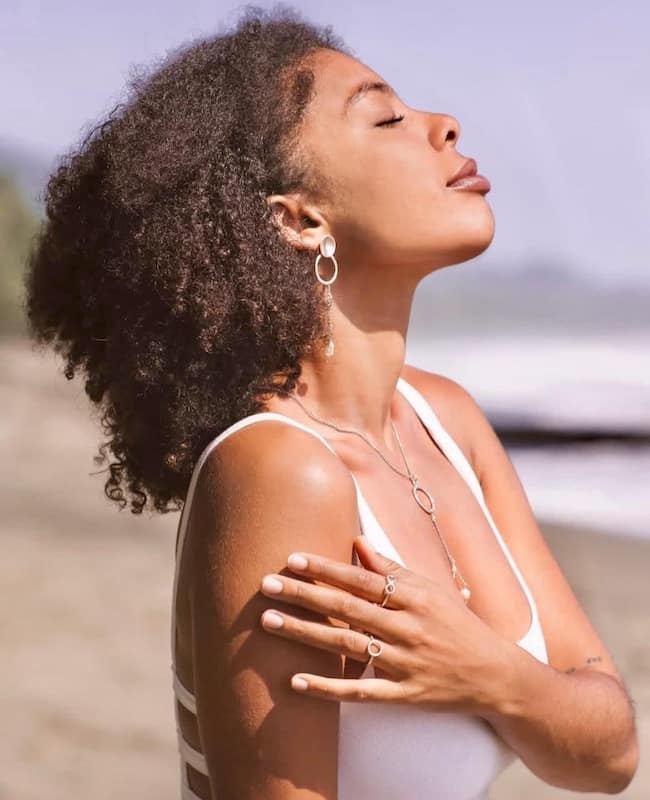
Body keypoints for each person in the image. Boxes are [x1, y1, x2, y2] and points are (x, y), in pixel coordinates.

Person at [24, 5, 639, 799]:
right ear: (300, 219)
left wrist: (487, 673)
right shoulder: (278, 471)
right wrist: (529, 693)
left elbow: (610, 752)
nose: (444, 125)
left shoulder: (445, 421)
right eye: (386, 118)